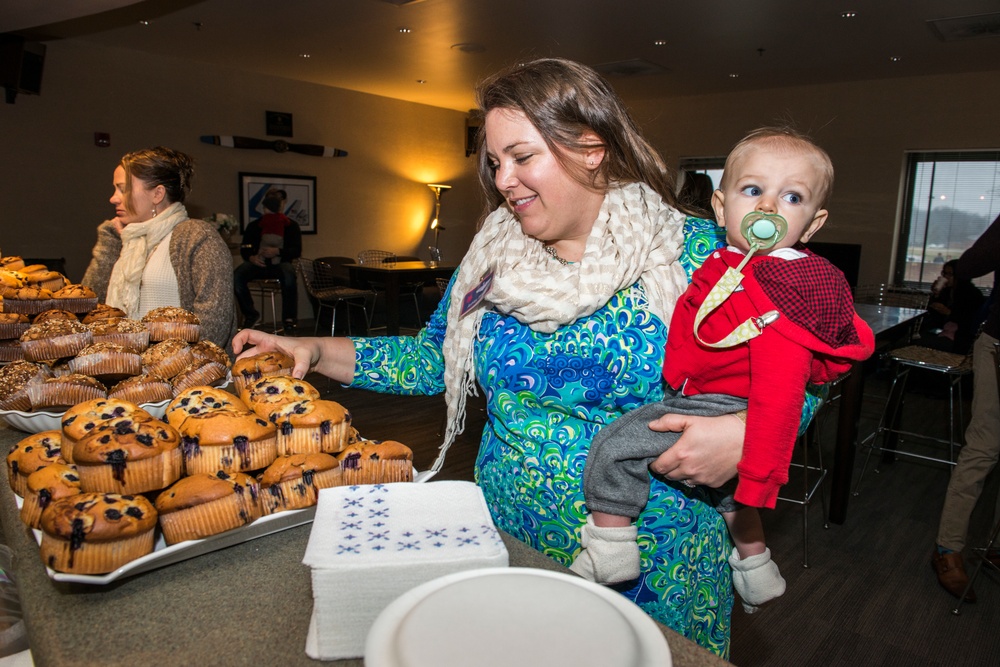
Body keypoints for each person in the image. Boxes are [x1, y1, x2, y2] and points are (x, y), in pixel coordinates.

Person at [232, 59, 818, 657]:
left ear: (591, 148)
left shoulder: (699, 252)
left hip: (656, 560)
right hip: (510, 540)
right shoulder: (493, 255)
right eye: (494, 162)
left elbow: (811, 363)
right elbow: (435, 357)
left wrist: (749, 433)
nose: (503, 180)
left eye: (520, 156)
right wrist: (310, 347)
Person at [571, 127, 874, 613]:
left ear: (813, 225)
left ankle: (609, 552)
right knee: (733, 500)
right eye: (752, 190)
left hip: (718, 402)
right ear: (720, 206)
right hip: (701, 392)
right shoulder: (726, 259)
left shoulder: (785, 286)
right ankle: (756, 569)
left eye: (791, 197)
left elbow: (783, 385)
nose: (768, 208)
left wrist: (756, 455)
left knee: (616, 444)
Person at [81, 146, 236, 349]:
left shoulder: (196, 236)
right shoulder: (127, 240)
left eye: (123, 189)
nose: (113, 198)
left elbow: (215, 324)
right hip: (128, 371)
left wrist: (167, 366)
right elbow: (89, 310)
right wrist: (110, 239)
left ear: (157, 194)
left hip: (183, 373)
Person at [932, 213, 1000, 602]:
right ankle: (947, 549)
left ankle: (994, 544)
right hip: (997, 343)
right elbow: (970, 265)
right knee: (984, 447)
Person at [233, 188, 302, 330]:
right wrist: (251, 257)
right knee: (236, 276)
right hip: (258, 264)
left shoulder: (291, 226)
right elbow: (245, 248)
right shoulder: (254, 226)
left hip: (281, 264)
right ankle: (251, 314)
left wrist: (278, 251)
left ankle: (289, 319)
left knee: (289, 274)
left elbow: (296, 250)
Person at [916, 260, 985, 354]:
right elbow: (934, 315)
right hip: (942, 331)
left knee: (916, 343)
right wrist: (936, 294)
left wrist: (949, 312)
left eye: (950, 274)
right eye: (944, 273)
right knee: (912, 336)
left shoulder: (972, 293)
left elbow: (968, 320)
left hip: (960, 339)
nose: (946, 277)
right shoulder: (947, 291)